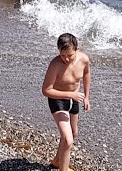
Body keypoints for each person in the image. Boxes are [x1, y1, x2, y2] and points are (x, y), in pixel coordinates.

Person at [42, 32, 92, 171]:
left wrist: (87, 97)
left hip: (73, 100)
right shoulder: (55, 64)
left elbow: (87, 74)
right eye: (63, 55)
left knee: (73, 133)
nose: (66, 59)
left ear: (77, 49)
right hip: (57, 100)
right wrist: (71, 94)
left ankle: (58, 161)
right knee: (67, 139)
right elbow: (46, 90)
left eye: (70, 55)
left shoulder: (84, 59)